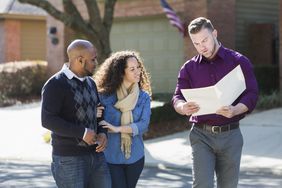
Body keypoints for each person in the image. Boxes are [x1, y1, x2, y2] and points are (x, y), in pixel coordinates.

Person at [172, 17, 259, 188]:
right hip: (201, 135)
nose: (201, 46)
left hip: (231, 135)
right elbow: (177, 97)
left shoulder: (239, 61)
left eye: (204, 40)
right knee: (202, 185)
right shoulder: (188, 68)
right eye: (196, 43)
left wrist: (235, 110)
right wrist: (183, 107)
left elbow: (252, 94)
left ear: (215, 33)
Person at [41, 39, 111, 188]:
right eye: (93, 59)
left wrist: (103, 132)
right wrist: (83, 132)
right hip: (69, 160)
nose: (96, 62)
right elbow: (48, 119)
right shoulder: (56, 84)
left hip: (97, 157)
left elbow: (99, 111)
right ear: (80, 60)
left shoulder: (91, 82)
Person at [94, 50, 152, 188]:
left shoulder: (143, 97)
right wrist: (93, 114)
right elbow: (96, 123)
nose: (138, 71)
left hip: (135, 157)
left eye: (138, 67)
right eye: (132, 69)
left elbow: (144, 125)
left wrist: (117, 128)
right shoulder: (104, 97)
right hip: (110, 157)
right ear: (121, 72)